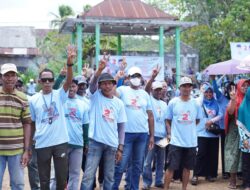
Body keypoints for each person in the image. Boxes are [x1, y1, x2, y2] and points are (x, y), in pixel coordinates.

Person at [29, 45, 76, 190]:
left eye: (50, 80)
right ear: (39, 82)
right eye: (44, 80)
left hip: (60, 141)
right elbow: (32, 123)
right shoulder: (33, 99)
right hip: (42, 143)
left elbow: (68, 81)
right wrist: (30, 144)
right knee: (44, 181)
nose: (48, 82)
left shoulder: (59, 94)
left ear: (53, 80)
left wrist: (69, 63)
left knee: (62, 180)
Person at [81, 56, 127, 190]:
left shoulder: (119, 103)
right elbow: (92, 83)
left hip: (112, 145)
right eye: (104, 83)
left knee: (109, 177)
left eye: (109, 83)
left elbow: (122, 126)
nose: (107, 86)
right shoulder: (95, 96)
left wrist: (120, 147)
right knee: (88, 176)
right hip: (95, 142)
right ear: (100, 85)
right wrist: (99, 70)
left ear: (114, 85)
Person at [113, 66, 154, 190]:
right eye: (133, 76)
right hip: (126, 134)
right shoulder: (122, 90)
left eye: (138, 76)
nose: (136, 78)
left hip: (142, 134)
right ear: (129, 78)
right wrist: (117, 77)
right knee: (121, 164)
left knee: (137, 166)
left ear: (141, 78)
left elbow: (150, 116)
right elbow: (112, 92)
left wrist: (151, 135)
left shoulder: (145, 94)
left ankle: (133, 188)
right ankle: (113, 187)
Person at [164, 76, 202, 190]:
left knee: (187, 168)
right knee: (171, 167)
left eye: (188, 86)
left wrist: (188, 129)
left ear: (191, 88)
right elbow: (168, 120)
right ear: (179, 88)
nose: (186, 88)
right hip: (176, 141)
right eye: (184, 86)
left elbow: (197, 120)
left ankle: (184, 188)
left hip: (191, 142)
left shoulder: (196, 104)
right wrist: (171, 133)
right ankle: (166, 188)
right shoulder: (173, 102)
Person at [0, 63, 32, 189]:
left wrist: (26, 150)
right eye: (6, 75)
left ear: (16, 78)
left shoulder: (23, 98)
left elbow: (27, 124)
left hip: (17, 150)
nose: (9, 78)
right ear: (1, 77)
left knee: (18, 185)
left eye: (12, 75)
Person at [142, 67, 168, 189]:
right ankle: (147, 183)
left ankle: (158, 180)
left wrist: (169, 134)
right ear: (152, 90)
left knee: (160, 161)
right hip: (151, 135)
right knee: (148, 161)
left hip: (162, 136)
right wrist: (152, 77)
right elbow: (146, 89)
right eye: (156, 90)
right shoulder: (149, 99)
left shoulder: (164, 104)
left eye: (160, 90)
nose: (159, 92)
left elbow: (167, 121)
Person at [191, 83, 222, 185]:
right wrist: (201, 93)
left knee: (212, 155)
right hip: (201, 133)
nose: (209, 94)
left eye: (210, 92)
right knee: (200, 154)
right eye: (206, 92)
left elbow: (221, 114)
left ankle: (209, 174)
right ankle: (196, 174)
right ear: (203, 93)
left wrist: (212, 121)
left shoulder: (216, 103)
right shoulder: (199, 102)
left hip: (213, 133)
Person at [64, 79, 89, 190]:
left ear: (77, 88)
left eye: (73, 86)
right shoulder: (60, 101)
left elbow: (85, 125)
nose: (71, 88)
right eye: (69, 86)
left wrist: (86, 142)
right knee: (59, 174)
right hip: (62, 143)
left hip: (78, 144)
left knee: (75, 173)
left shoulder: (83, 104)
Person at [224, 79, 249, 189]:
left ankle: (245, 180)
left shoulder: (248, 98)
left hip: (247, 130)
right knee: (233, 155)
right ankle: (232, 180)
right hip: (235, 130)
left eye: (247, 85)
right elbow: (230, 112)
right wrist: (233, 100)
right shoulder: (235, 98)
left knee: (245, 158)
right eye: (243, 85)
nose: (245, 87)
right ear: (238, 86)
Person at [237, 87, 250, 190]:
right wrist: (244, 139)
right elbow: (240, 125)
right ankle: (246, 184)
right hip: (246, 140)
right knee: (246, 164)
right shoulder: (242, 108)